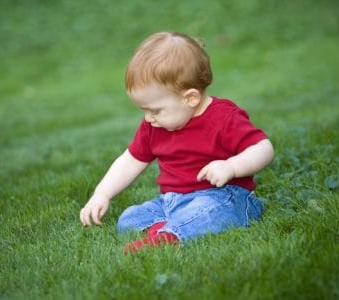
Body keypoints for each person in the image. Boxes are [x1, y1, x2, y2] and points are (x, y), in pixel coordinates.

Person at [79, 31, 275, 254]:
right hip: (171, 202)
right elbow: (130, 161)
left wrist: (231, 166)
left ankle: (169, 236)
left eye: (154, 110)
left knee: (208, 212)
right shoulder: (154, 125)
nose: (148, 118)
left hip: (223, 197)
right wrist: (102, 194)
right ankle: (168, 229)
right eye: (144, 111)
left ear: (190, 98)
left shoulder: (224, 118)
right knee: (129, 219)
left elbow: (263, 148)